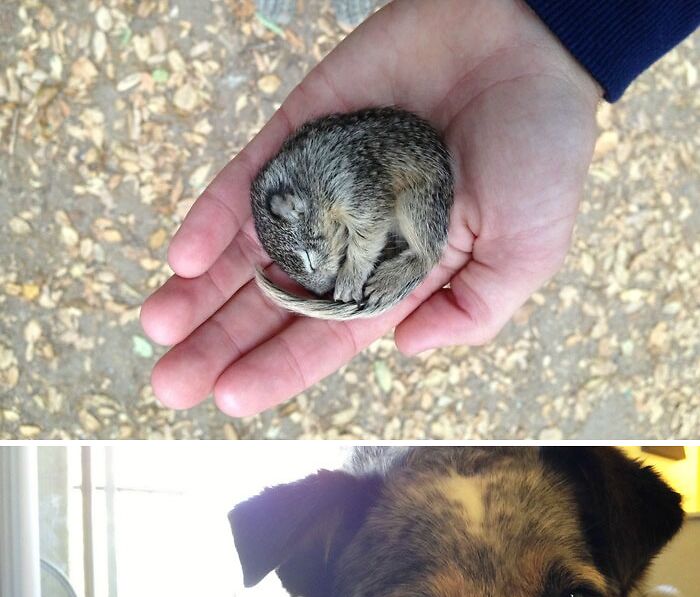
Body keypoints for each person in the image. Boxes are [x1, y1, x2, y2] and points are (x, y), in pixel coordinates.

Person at [140, 0, 699, 418]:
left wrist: (356, 271)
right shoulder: (299, 191)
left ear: (297, 203)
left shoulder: (340, 182)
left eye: (315, 248)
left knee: (389, 246)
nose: (322, 264)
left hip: (419, 180)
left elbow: (366, 217)